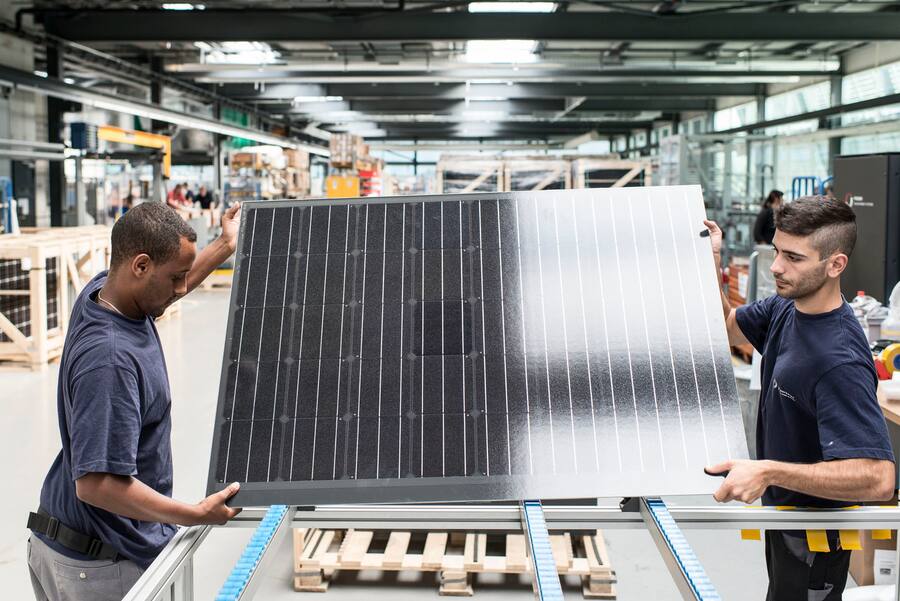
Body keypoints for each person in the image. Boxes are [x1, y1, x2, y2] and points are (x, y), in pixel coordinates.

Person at [27, 201, 244, 601]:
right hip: (97, 566)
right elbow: (96, 485)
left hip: (69, 540)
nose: (182, 288)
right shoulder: (110, 362)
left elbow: (164, 293)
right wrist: (195, 514)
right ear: (140, 266)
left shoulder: (103, 292)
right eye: (176, 278)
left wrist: (224, 245)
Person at [704, 196, 895, 601]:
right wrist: (711, 261)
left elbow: (879, 478)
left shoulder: (838, 359)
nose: (775, 267)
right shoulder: (787, 307)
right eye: (776, 252)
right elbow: (727, 328)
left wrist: (769, 471)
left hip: (816, 541)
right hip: (786, 520)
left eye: (793, 257)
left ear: (835, 265)